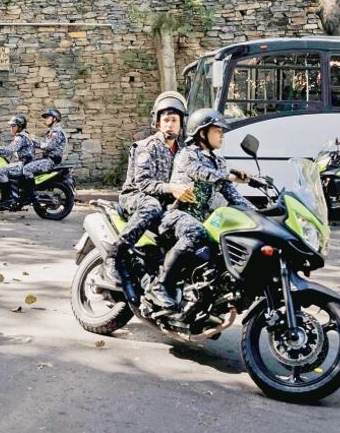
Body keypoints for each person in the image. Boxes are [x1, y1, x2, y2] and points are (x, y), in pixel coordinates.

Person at [156, 108, 252, 311]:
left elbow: (233, 196)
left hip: (205, 220)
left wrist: (259, 214)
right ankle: (161, 285)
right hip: (178, 215)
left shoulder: (218, 161)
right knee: (195, 232)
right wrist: (229, 175)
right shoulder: (187, 155)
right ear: (202, 133)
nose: (222, 135)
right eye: (218, 131)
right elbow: (202, 173)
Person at [106, 92, 194, 289]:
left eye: (174, 120)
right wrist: (172, 188)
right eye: (166, 120)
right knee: (152, 205)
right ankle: (115, 256)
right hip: (136, 196)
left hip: (166, 202)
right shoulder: (146, 147)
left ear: (181, 124)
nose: (170, 124)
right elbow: (144, 184)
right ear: (158, 122)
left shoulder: (183, 152)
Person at [18, 108, 68, 201]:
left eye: (47, 117)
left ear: (54, 119)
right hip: (48, 159)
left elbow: (49, 146)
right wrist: (30, 140)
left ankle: (30, 195)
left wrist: (33, 140)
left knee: (26, 169)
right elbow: (43, 144)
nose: (45, 119)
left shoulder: (57, 132)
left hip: (51, 161)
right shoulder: (52, 131)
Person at [0, 115, 33, 200]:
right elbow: (10, 149)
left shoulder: (20, 137)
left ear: (20, 126)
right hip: (25, 163)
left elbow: (10, 150)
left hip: (24, 164)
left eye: (13, 125)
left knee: (1, 170)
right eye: (11, 125)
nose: (11, 127)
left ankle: (7, 197)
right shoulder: (24, 135)